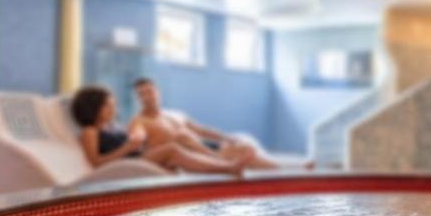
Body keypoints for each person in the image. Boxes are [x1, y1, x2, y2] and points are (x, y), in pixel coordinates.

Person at [69, 86, 245, 175]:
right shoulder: (89, 131)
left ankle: (222, 162)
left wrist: (137, 142)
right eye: (108, 105)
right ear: (94, 108)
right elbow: (96, 164)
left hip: (137, 156)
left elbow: (130, 143)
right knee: (172, 150)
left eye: (113, 104)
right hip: (129, 163)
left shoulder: (112, 127)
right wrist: (128, 147)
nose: (113, 109)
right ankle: (227, 168)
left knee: (178, 139)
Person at [129, 78, 284, 171]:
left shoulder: (174, 115)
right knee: (181, 136)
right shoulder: (139, 121)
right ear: (138, 99)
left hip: (203, 147)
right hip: (189, 156)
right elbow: (137, 138)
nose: (147, 97)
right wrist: (137, 138)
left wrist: (227, 137)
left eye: (149, 91)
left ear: (158, 92)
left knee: (242, 148)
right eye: (141, 94)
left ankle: (281, 172)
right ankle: (223, 161)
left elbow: (201, 130)